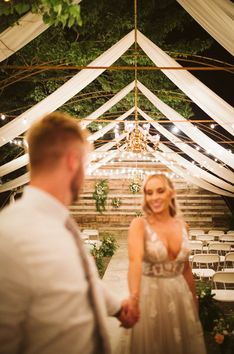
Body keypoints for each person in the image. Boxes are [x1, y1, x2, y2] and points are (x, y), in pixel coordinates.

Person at [0, 112, 136, 354]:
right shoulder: (10, 235)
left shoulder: (60, 221)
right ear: (74, 161)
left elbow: (80, 280)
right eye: (87, 164)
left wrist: (116, 306)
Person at [126, 173, 206, 354]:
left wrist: (194, 302)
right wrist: (134, 297)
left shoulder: (183, 226)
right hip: (150, 296)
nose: (154, 197)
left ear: (171, 193)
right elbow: (134, 262)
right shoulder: (139, 225)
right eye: (149, 192)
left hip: (179, 296)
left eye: (160, 191)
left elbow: (185, 269)